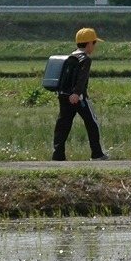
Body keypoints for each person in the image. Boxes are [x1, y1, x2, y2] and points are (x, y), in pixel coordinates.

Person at [52, 27, 109, 161]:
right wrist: (77, 93)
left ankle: (58, 154)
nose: (94, 46)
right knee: (92, 123)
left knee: (63, 124)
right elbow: (82, 78)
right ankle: (97, 154)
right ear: (89, 44)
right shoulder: (85, 59)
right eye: (94, 43)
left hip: (63, 96)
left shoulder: (69, 57)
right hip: (79, 98)